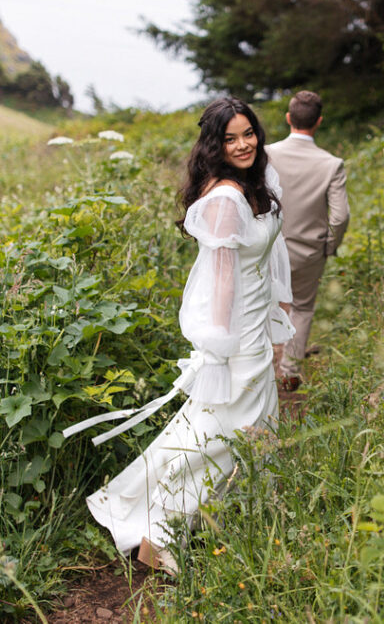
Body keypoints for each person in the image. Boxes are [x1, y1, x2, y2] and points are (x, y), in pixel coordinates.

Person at [62, 97, 294, 572]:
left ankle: (210, 515)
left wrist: (276, 319)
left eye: (248, 132)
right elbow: (221, 280)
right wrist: (218, 349)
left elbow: (265, 262)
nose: (244, 143)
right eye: (230, 138)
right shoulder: (227, 198)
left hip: (254, 322)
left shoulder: (257, 183)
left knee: (235, 428)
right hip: (235, 334)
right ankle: (159, 530)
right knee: (220, 432)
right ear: (215, 144)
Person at [266, 91, 349, 390]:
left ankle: (258, 367)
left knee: (260, 303)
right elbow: (340, 217)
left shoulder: (266, 153)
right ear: (319, 122)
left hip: (268, 247)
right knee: (301, 307)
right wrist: (329, 245)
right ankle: (288, 370)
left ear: (289, 118)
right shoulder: (332, 164)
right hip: (309, 251)